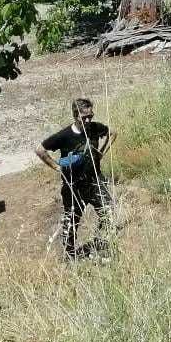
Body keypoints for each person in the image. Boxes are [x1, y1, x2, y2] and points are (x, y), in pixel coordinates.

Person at [38, 97, 113, 259]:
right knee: (71, 221)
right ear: (75, 115)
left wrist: (102, 152)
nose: (88, 120)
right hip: (73, 186)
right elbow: (40, 150)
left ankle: (99, 242)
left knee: (108, 212)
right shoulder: (64, 135)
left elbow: (112, 133)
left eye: (90, 116)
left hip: (94, 181)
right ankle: (70, 254)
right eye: (84, 117)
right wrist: (57, 167)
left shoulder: (95, 128)